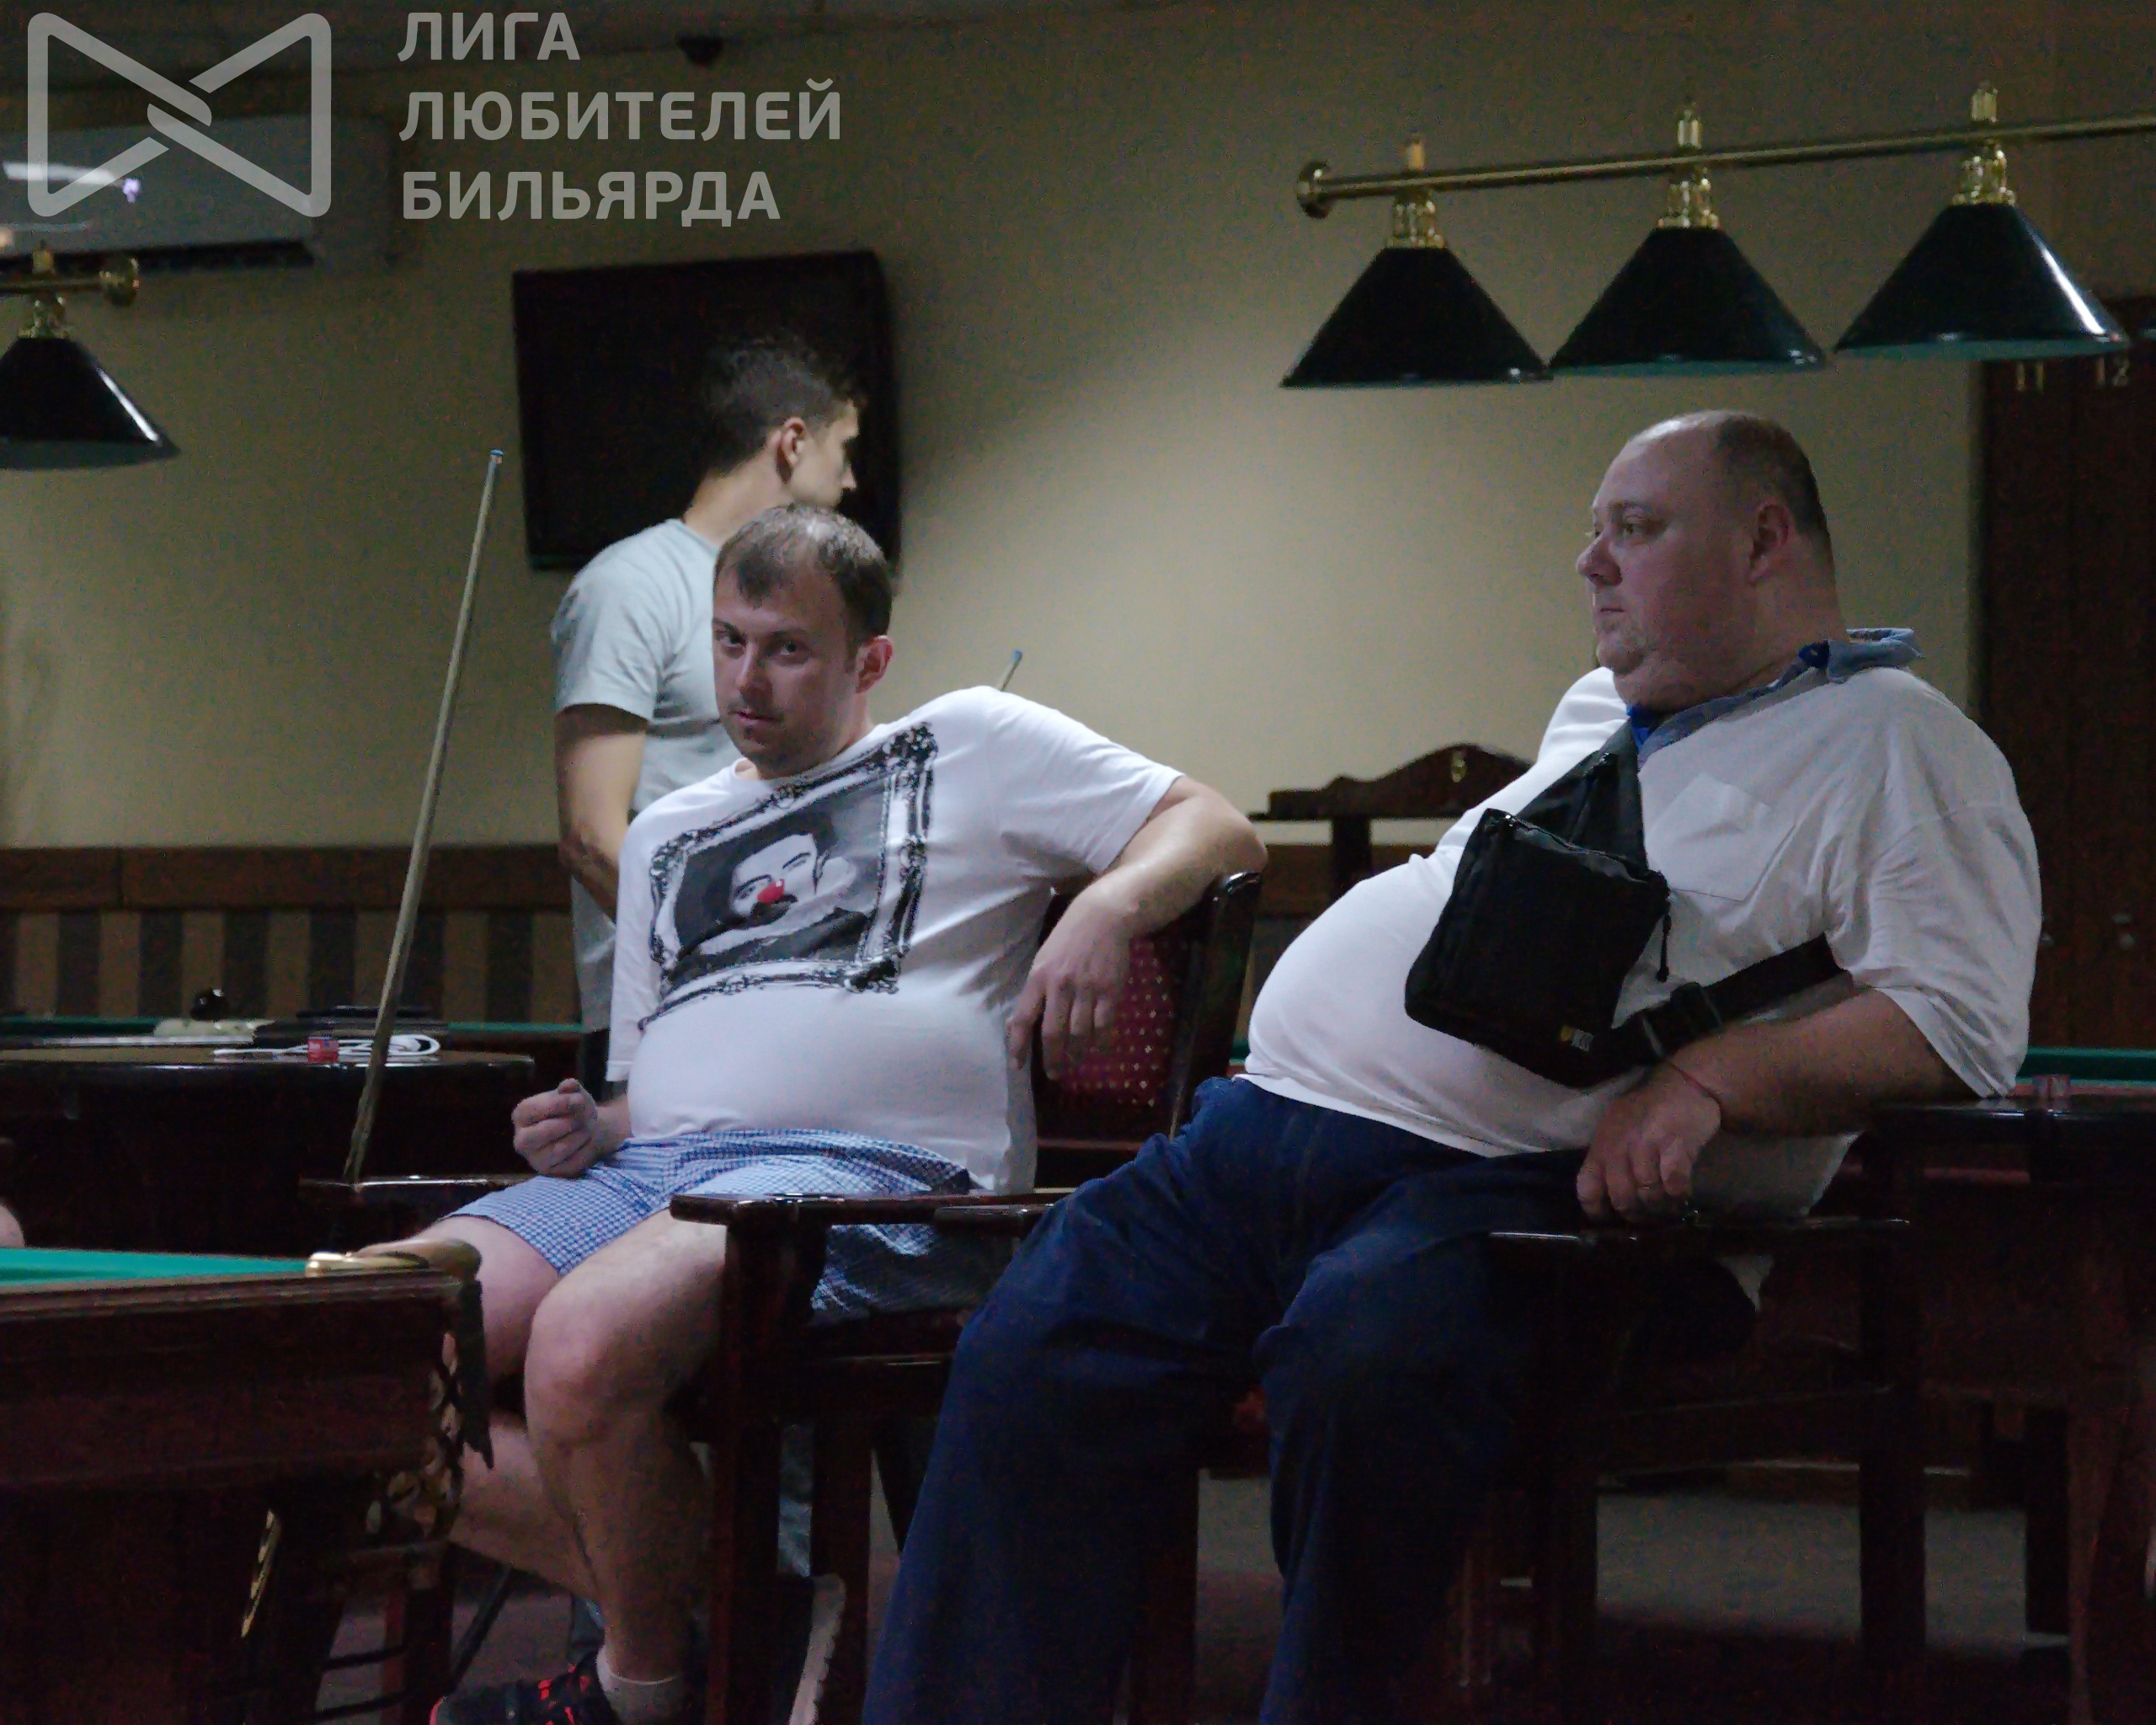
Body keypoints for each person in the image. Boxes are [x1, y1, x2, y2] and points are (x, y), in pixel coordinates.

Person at [864, 410, 2042, 1724]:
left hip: (1503, 1196)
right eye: (1594, 531)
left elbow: (1957, 1023)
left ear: (1766, 540)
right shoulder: (1600, 712)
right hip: (1255, 1141)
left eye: (1636, 530)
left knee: (1365, 1357)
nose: (1590, 562)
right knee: (1030, 1343)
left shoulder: (1899, 744)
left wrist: (1711, 1080)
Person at [418, 503, 1266, 1725]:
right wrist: (595, 1124)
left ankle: (643, 1690)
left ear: (870, 660)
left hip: (880, 1178)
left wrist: (1108, 904)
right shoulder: (665, 834)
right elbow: (654, 1082)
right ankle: (742, 1616)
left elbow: (1216, 825)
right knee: (362, 1343)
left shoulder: (969, 740)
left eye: (787, 649)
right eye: (728, 642)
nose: (745, 682)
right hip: (654, 1171)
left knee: (580, 1349)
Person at [553, 329, 863, 1048]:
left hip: (781, 993)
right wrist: (715, 960)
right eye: (844, 451)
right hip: (666, 1008)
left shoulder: (793, 596)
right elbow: (591, 837)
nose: (850, 481)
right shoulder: (632, 584)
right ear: (792, 442)